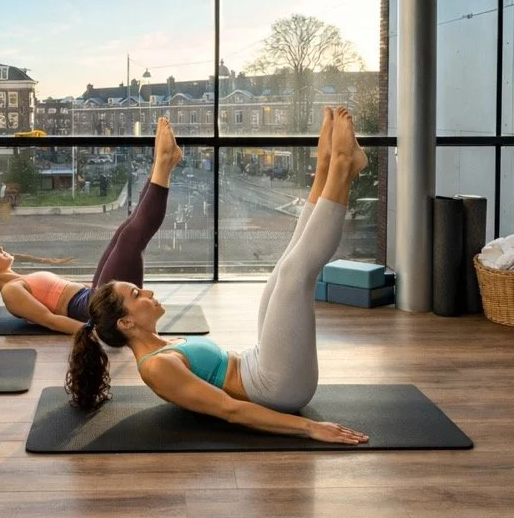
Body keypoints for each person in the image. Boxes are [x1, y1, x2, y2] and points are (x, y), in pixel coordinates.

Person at [66, 106, 370, 445]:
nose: (148, 293)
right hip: (276, 388)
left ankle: (327, 168)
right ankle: (343, 165)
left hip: (259, 365)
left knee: (287, 261)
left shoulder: (161, 346)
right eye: (136, 295)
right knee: (294, 274)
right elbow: (230, 410)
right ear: (125, 323)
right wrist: (310, 427)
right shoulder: (155, 368)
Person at [0, 117, 183, 334]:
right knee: (131, 238)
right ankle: (163, 163)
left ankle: (160, 164)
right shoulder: (11, 292)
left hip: (90, 296)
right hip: (94, 311)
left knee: (125, 230)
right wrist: (93, 333)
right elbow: (51, 319)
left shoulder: (18, 280)